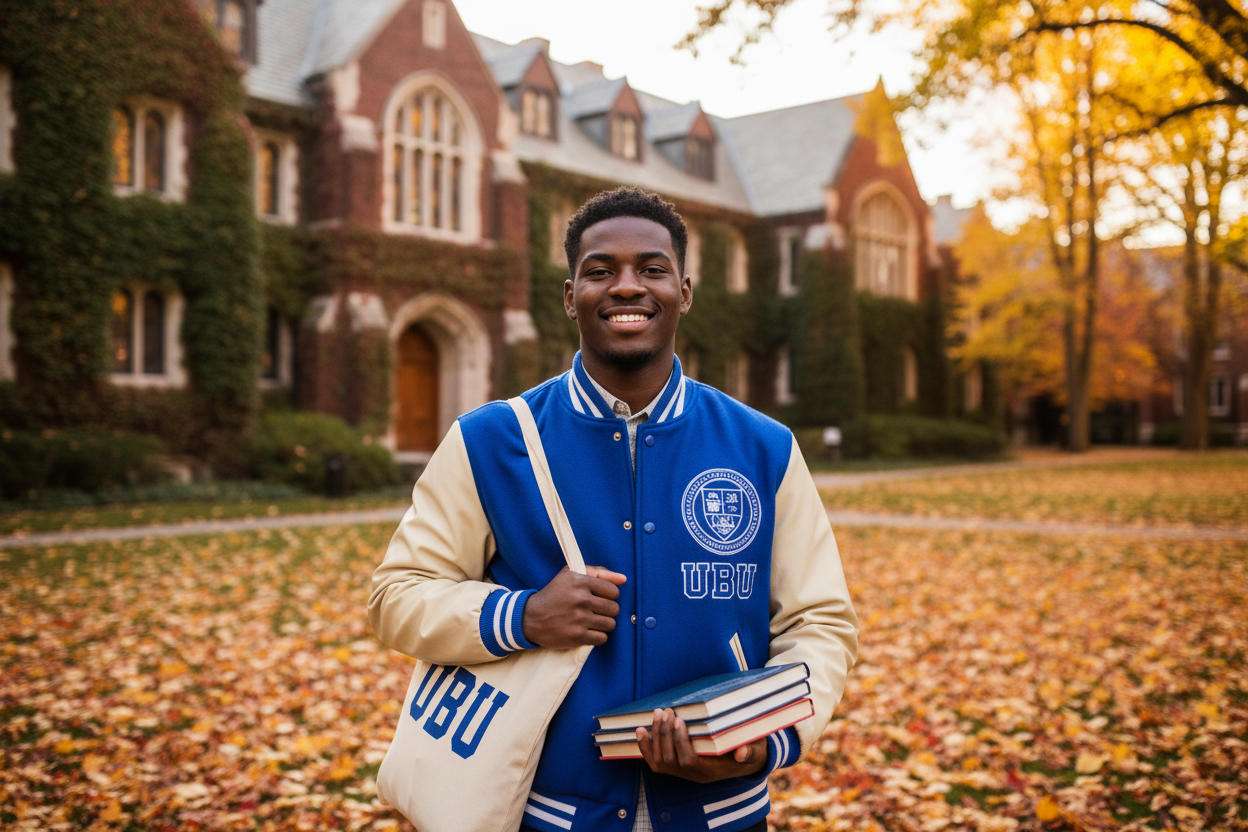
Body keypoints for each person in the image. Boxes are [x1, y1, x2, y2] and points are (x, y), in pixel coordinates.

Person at [369, 187, 858, 832]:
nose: (627, 286)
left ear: (684, 291)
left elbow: (818, 622)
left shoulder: (762, 446)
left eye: (651, 269)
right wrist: (523, 614)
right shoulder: (489, 441)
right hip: (550, 813)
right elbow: (395, 597)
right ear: (571, 296)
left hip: (723, 814)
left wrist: (765, 744)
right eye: (600, 271)